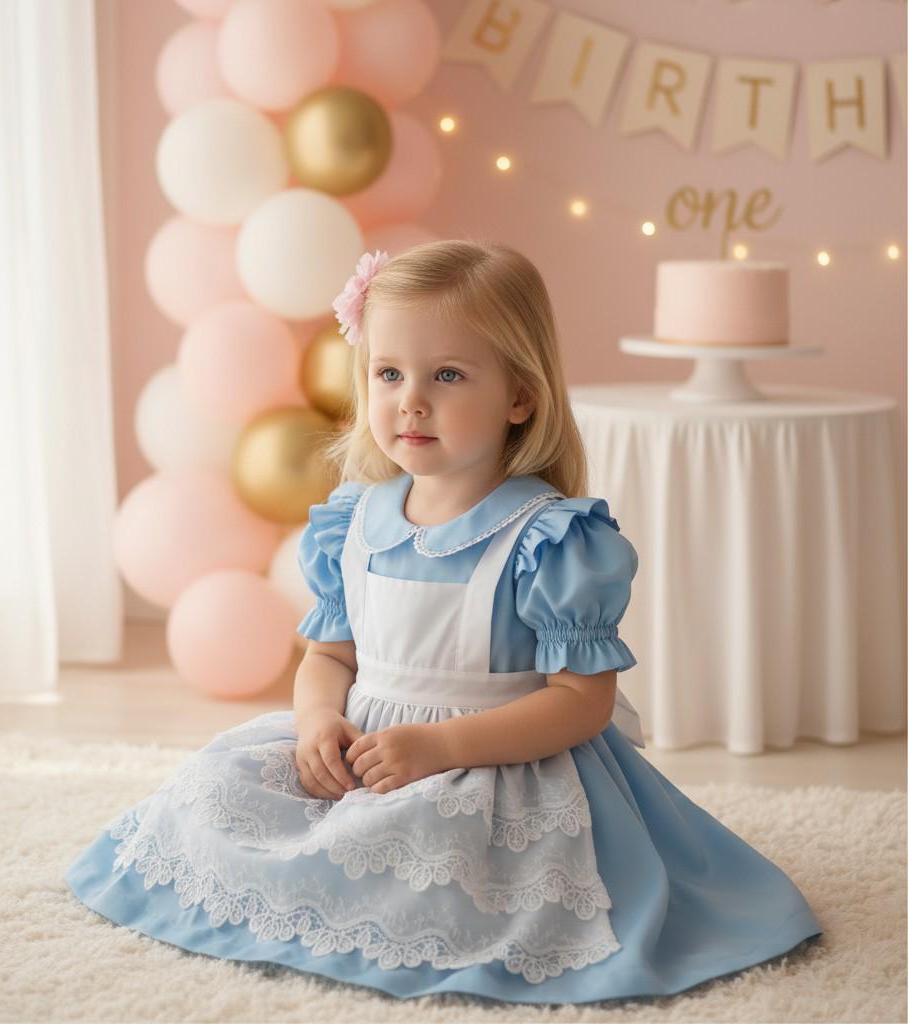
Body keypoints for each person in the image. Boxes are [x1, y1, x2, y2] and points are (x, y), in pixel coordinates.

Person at [64, 239, 822, 1005]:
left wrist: (439, 747)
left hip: (493, 763)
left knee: (426, 844)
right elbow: (328, 656)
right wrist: (317, 722)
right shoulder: (354, 522)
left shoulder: (547, 539)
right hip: (366, 751)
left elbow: (581, 702)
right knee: (215, 790)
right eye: (389, 373)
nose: (411, 401)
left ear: (519, 396)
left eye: (448, 375)